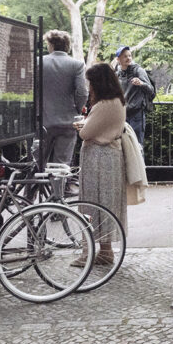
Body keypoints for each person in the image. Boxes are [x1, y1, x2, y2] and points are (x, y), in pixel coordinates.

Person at [75, 63, 126, 266]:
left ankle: (88, 253)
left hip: (98, 158)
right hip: (111, 157)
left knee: (92, 204)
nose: (89, 87)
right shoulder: (118, 101)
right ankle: (106, 251)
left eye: (91, 83)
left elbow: (86, 133)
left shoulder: (104, 105)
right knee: (106, 203)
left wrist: (82, 126)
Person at [41, 30, 88, 166]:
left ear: (51, 45)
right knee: (62, 165)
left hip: (43, 121)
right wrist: (77, 110)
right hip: (67, 121)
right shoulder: (77, 65)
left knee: (39, 163)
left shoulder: (39, 62)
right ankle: (58, 181)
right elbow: (82, 92)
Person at [115, 46, 155, 146]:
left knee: (137, 145)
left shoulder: (139, 71)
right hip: (122, 114)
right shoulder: (117, 74)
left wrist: (141, 83)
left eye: (129, 55)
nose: (128, 58)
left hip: (136, 114)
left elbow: (151, 90)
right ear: (118, 59)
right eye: (125, 56)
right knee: (123, 145)